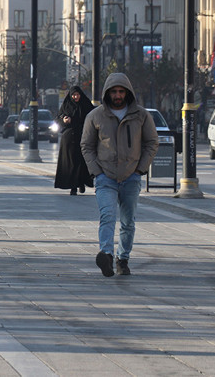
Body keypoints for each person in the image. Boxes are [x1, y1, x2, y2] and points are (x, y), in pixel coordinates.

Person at [81, 73, 158, 277]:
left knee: (128, 221)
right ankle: (105, 254)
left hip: (131, 175)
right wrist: (96, 171)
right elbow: (86, 146)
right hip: (105, 176)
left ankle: (122, 258)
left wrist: (141, 168)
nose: (117, 95)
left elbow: (152, 142)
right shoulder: (96, 116)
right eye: (114, 91)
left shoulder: (141, 115)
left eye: (121, 91)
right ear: (107, 93)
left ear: (127, 93)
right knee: (107, 215)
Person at [54, 86, 95, 195]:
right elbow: (58, 119)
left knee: (82, 162)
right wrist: (64, 120)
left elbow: (93, 117)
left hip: (83, 137)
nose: (75, 97)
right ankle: (73, 186)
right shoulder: (66, 105)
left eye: (77, 94)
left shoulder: (86, 105)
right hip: (69, 138)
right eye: (73, 95)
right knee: (71, 162)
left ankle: (81, 183)